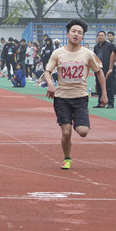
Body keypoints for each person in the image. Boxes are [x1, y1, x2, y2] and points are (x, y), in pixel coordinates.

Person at [43, 19, 107, 170]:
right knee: (66, 132)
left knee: (83, 132)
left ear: (83, 37)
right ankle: (67, 158)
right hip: (62, 98)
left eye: (80, 32)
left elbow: (99, 72)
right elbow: (47, 72)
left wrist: (103, 94)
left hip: (80, 97)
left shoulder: (88, 54)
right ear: (67, 34)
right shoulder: (58, 53)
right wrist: (51, 84)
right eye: (74, 31)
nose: (76, 34)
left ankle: (76, 118)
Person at [92, 30, 114, 109]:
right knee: (99, 86)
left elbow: (115, 56)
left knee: (108, 86)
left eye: (102, 35)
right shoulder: (96, 47)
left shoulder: (109, 46)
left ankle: (110, 103)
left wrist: (111, 67)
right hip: (98, 69)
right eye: (99, 35)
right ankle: (100, 102)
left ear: (105, 37)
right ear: (97, 37)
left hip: (107, 69)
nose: (101, 37)